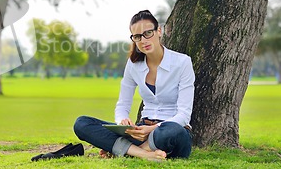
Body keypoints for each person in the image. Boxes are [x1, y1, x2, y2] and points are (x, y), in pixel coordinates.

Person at [73, 10, 195, 160]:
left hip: (169, 131)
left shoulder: (182, 62)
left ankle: (123, 150)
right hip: (140, 131)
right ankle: (143, 154)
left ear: (159, 31)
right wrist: (123, 122)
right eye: (137, 37)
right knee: (82, 123)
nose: (143, 40)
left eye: (148, 33)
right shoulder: (133, 64)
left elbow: (183, 115)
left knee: (171, 131)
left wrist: (152, 129)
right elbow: (123, 104)